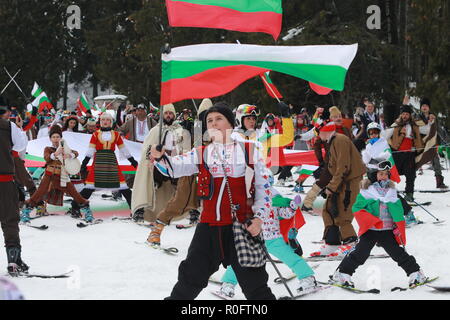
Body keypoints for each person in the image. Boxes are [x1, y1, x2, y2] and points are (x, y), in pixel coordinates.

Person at [150, 102, 275, 300]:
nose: (213, 123)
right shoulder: (202, 152)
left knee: (255, 284)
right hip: (209, 227)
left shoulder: (249, 150)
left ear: (231, 123)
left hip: (241, 226)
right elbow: (174, 168)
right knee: (190, 276)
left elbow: (264, 188)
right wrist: (159, 158)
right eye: (209, 120)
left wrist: (259, 219)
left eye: (219, 119)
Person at [330, 160, 429, 289]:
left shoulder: (391, 192)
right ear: (373, 175)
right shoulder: (367, 192)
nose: (384, 177)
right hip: (371, 229)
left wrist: (397, 221)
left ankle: (415, 273)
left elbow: (397, 208)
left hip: (387, 229)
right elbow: (357, 208)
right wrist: (370, 218)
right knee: (361, 252)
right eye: (381, 174)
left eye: (386, 174)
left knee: (397, 253)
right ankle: (342, 274)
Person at [217, 192, 317, 299]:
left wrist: (292, 207)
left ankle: (307, 278)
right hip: (254, 238)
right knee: (241, 261)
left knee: (290, 257)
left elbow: (284, 214)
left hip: (273, 239)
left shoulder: (274, 199)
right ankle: (228, 284)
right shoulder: (250, 198)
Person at [310, 121, 366, 257]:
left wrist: (331, 187)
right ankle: (332, 242)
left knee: (343, 213)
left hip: (349, 183)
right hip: (340, 182)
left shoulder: (340, 140)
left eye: (318, 133)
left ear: (325, 132)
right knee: (328, 209)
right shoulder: (331, 141)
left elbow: (343, 167)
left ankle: (350, 241)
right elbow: (332, 167)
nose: (317, 136)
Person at [74, 112, 138, 222]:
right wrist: (84, 164)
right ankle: (74, 207)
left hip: (111, 162)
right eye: (103, 120)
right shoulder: (95, 135)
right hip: (98, 162)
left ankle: (135, 210)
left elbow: (123, 149)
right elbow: (90, 150)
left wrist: (132, 161)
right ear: (100, 122)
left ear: (111, 122)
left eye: (107, 120)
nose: (105, 122)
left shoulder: (116, 135)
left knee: (124, 188)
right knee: (89, 189)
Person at [20, 125, 89, 222]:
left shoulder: (65, 148)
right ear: (50, 139)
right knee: (38, 194)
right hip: (49, 176)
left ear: (61, 138)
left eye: (57, 137)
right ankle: (26, 211)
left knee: (74, 193)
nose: (56, 139)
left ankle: (86, 211)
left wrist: (70, 155)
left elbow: (76, 153)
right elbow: (47, 158)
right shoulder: (48, 148)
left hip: (62, 176)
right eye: (53, 137)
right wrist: (56, 154)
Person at [0, 97, 29, 276]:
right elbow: (20, 146)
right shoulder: (8, 127)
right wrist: (19, 128)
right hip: (4, 182)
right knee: (10, 221)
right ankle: (13, 261)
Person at [383, 105, 424, 202]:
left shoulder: (414, 126)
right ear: (401, 115)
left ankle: (409, 194)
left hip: (409, 154)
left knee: (411, 175)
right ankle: (387, 192)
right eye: (403, 114)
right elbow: (385, 135)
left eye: (407, 114)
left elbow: (421, 135)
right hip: (397, 153)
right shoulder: (396, 125)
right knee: (392, 173)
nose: (405, 116)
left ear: (410, 115)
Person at [415, 97, 448, 189]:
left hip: (431, 144)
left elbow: (439, 130)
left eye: (426, 106)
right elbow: (416, 130)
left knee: (436, 161)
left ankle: (439, 182)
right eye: (423, 106)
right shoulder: (417, 117)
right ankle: (409, 185)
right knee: (413, 163)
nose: (424, 107)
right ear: (421, 107)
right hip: (420, 144)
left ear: (429, 107)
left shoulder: (433, 117)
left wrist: (443, 141)